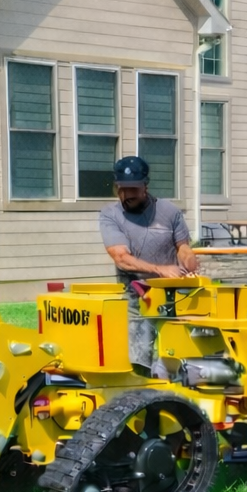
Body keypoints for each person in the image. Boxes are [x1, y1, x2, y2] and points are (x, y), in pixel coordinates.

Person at [99, 155, 199, 374]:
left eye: (132, 189)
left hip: (174, 299)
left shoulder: (169, 211)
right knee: (138, 365)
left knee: (180, 360)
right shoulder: (110, 215)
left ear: (145, 186)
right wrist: (160, 270)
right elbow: (121, 257)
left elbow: (182, 246)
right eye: (121, 189)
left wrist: (189, 261)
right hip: (137, 299)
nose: (126, 195)